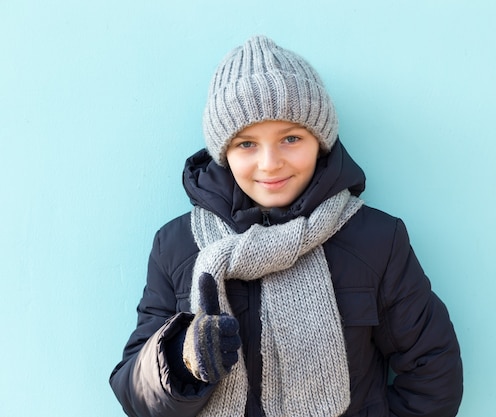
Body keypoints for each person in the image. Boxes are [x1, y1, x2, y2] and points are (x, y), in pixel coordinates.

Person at [110, 35, 463, 417]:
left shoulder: (376, 240)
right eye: (247, 144)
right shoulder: (177, 246)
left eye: (291, 138)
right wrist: (182, 359)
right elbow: (134, 391)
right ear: (224, 153)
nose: (270, 163)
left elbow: (433, 369)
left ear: (320, 142)